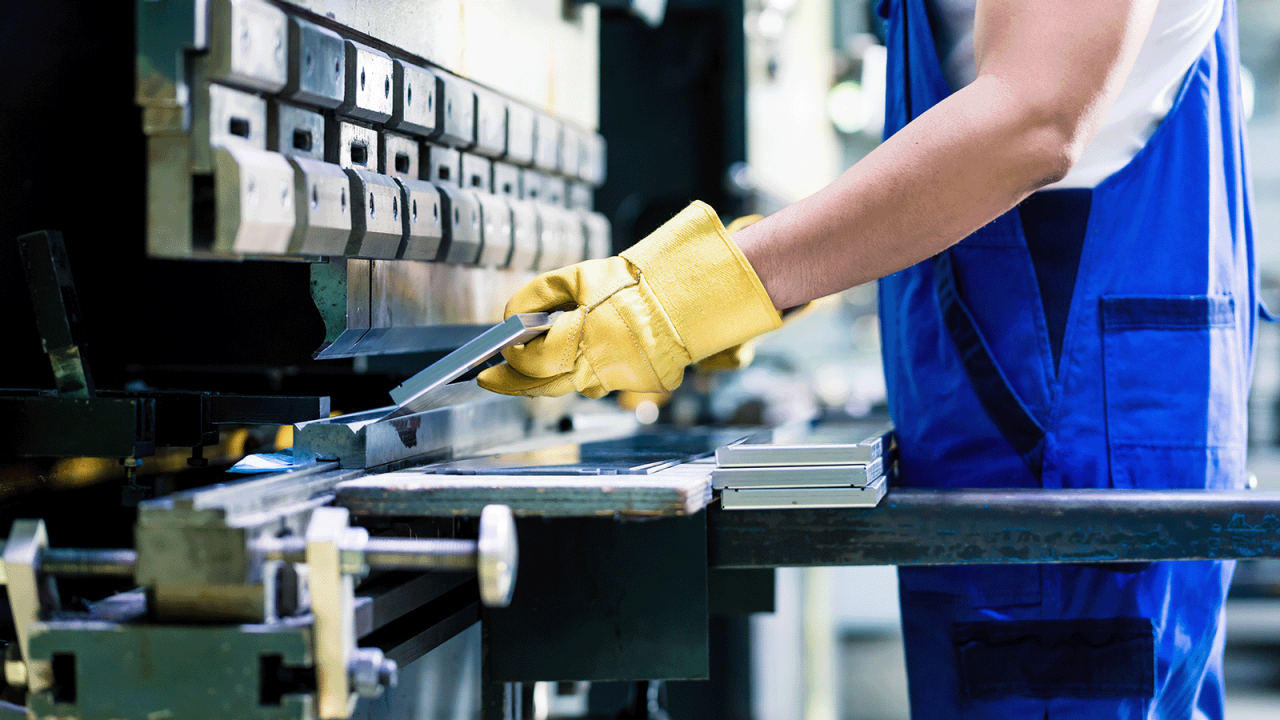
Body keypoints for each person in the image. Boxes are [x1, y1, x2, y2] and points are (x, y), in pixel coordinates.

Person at [479, 0, 1255, 716]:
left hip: (1067, 454)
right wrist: (762, 289)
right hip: (1034, 454)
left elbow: (1035, 120)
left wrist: (694, 297)